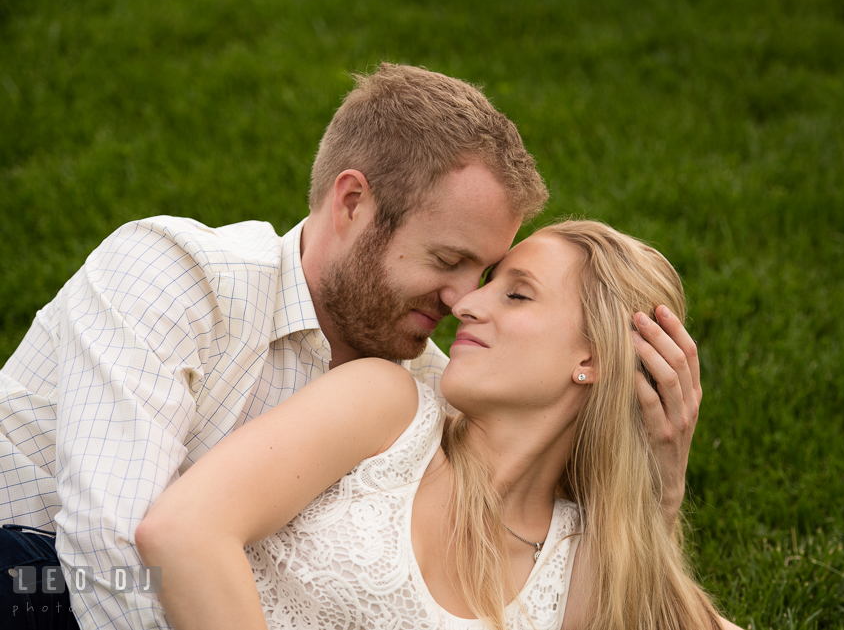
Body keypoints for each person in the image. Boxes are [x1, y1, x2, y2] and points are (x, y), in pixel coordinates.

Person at [0, 65, 701, 628]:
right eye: (448, 259)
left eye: (489, 276)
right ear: (352, 203)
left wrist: (658, 485)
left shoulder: (433, 385)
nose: (465, 302)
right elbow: (108, 552)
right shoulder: (178, 274)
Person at [136, 220, 723, 630]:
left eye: (517, 295)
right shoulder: (387, 410)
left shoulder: (579, 559)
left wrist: (663, 489)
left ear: (593, 359)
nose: (467, 304)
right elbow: (182, 532)